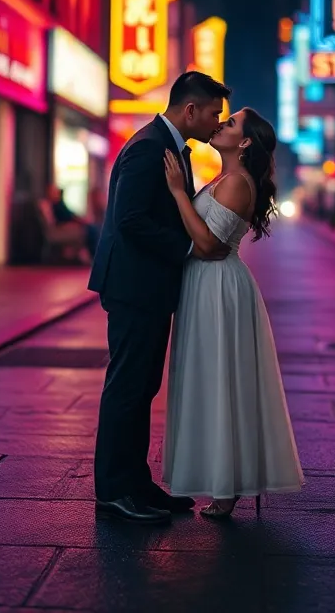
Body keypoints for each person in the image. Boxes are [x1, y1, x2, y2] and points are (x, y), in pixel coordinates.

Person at [89, 71, 231, 524]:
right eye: (213, 114)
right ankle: (114, 491)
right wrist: (190, 247)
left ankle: (136, 483)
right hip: (133, 286)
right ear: (190, 109)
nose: (216, 122)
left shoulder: (167, 146)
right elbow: (130, 219)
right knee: (128, 386)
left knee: (143, 386)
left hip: (148, 286)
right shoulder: (149, 147)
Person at [162, 107, 303, 518]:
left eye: (231, 123)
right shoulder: (225, 179)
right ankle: (224, 481)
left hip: (218, 284)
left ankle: (227, 488)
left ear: (243, 142)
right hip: (205, 284)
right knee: (211, 378)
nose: (221, 123)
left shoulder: (238, 183)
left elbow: (209, 245)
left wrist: (178, 193)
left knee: (220, 377)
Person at [46, 184, 98, 258]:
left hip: (72, 224)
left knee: (93, 229)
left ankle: (95, 255)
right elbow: (70, 216)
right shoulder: (56, 205)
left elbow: (70, 214)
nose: (56, 192)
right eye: (54, 191)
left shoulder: (59, 204)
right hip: (68, 226)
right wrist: (82, 221)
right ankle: (95, 255)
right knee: (92, 230)